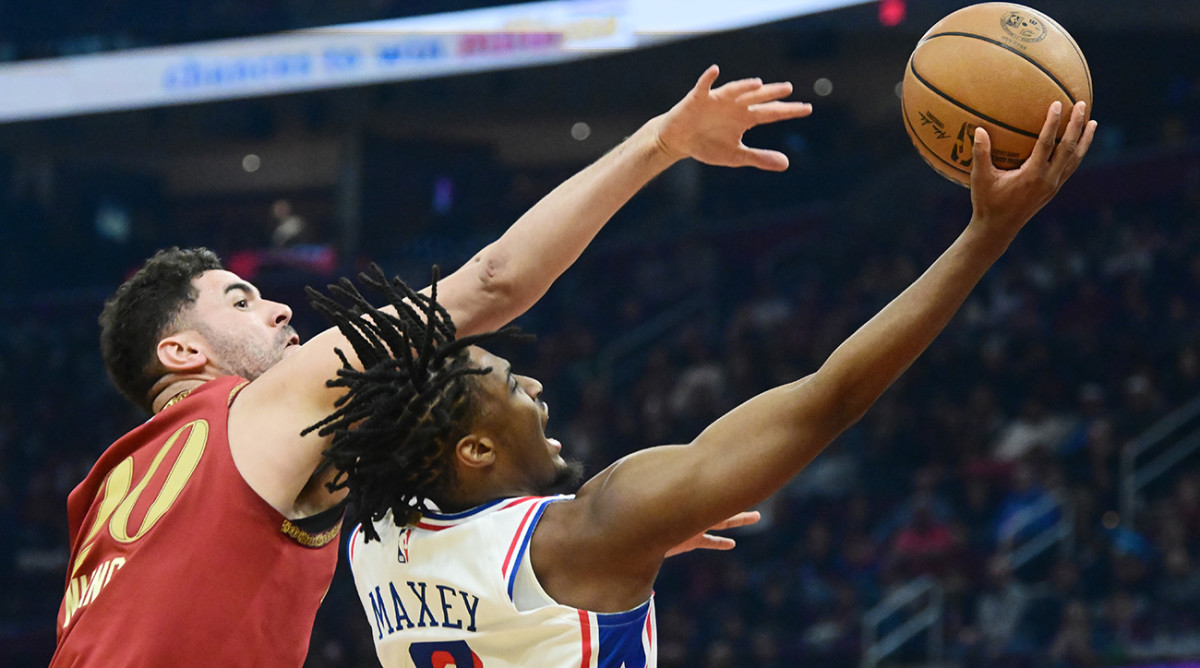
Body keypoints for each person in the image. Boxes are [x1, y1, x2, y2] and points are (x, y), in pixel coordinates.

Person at [50, 65, 810, 667]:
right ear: (182, 352)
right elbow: (494, 284)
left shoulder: (105, 494)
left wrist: (607, 540)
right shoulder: (255, 411)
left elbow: (425, 493)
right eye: (241, 301)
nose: (278, 309)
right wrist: (660, 143)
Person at [315, 100, 1097, 667]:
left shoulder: (374, 539)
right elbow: (830, 398)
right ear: (475, 450)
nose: (538, 390)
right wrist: (986, 235)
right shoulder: (591, 529)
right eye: (513, 387)